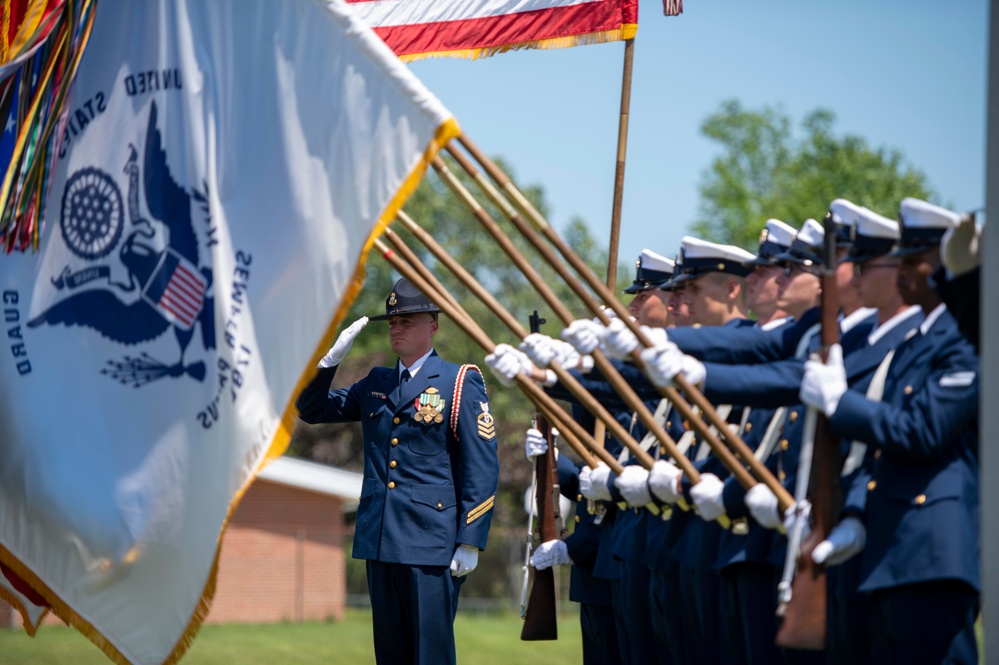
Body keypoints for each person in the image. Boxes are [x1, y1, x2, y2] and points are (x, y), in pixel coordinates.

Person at [800, 198, 979, 663]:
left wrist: (841, 402)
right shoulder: (918, 341)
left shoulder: (964, 339)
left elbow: (922, 431)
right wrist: (856, 512)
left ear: (942, 266)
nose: (901, 273)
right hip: (889, 547)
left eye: (913, 262)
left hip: (932, 554)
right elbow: (878, 452)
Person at [296, 277, 499, 665]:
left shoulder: (459, 381)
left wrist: (471, 538)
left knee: (430, 655)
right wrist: (329, 363)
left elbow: (482, 464)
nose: (397, 328)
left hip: (430, 541)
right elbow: (312, 409)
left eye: (407, 320)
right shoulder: (377, 382)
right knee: (390, 656)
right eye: (392, 322)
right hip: (380, 538)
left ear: (432, 326)